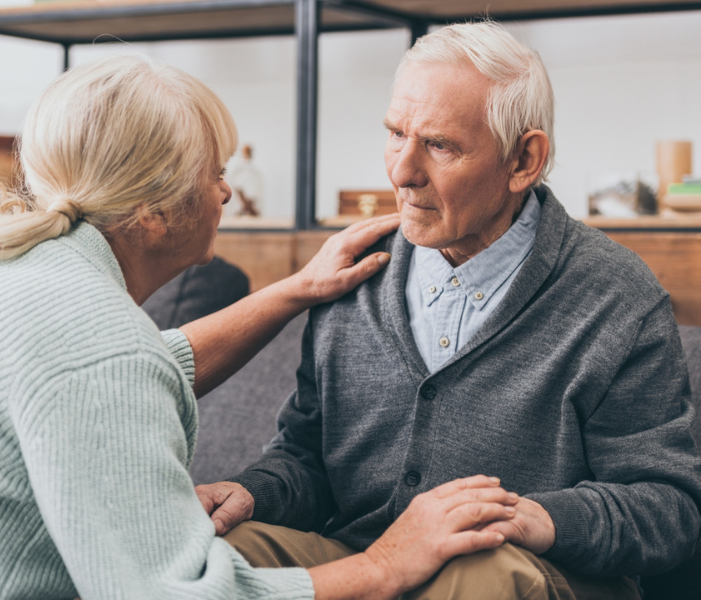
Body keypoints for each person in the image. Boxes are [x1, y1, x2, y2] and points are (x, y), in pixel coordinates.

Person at [0, 54, 525, 600]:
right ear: (151, 214)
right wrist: (383, 566)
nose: (228, 192)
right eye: (213, 173)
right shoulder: (100, 350)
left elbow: (137, 367)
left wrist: (294, 290)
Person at [197, 22, 701, 599]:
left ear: (523, 160)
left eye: (439, 145)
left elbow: (668, 509)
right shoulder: (353, 272)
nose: (401, 172)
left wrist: (535, 517)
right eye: (394, 134)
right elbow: (307, 458)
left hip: (524, 571)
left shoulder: (616, 296)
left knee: (479, 569)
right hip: (361, 557)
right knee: (213, 555)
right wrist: (252, 491)